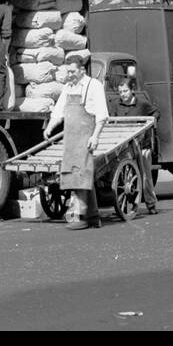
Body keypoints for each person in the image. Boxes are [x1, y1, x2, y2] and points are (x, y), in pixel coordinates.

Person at [42, 53, 109, 228]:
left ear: (82, 70)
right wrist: (49, 127)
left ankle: (80, 215)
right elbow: (59, 112)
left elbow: (102, 115)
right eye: (68, 72)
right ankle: (93, 216)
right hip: (71, 138)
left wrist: (95, 136)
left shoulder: (93, 86)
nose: (69, 75)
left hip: (86, 136)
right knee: (75, 174)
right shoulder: (68, 88)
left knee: (81, 173)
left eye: (72, 71)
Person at [108, 79, 159, 214]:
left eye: (125, 91)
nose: (123, 94)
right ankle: (123, 206)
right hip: (124, 146)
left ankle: (151, 204)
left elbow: (156, 113)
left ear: (132, 90)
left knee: (145, 175)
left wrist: (151, 122)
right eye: (120, 92)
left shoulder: (141, 105)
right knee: (125, 175)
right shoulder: (116, 105)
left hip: (141, 144)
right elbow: (111, 121)